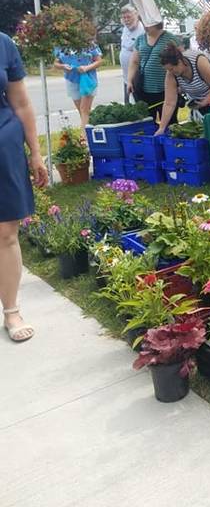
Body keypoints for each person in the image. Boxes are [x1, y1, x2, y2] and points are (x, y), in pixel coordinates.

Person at [0, 33, 48, 342]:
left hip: (3, 144)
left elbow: (20, 101)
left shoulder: (3, 44)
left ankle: (11, 310)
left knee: (5, 232)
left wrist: (35, 152)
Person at [156, 43, 210, 134]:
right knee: (203, 127)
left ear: (180, 62)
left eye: (172, 69)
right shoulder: (171, 74)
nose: (170, 72)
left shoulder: (199, 62)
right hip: (197, 94)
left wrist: (205, 102)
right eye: (167, 70)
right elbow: (169, 103)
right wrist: (162, 128)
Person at [127, 20, 181, 125]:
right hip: (144, 90)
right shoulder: (140, 39)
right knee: (147, 122)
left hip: (165, 89)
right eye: (143, 23)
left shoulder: (170, 38)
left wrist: (180, 84)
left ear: (156, 23)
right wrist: (129, 80)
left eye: (148, 24)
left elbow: (180, 61)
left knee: (170, 122)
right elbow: (134, 62)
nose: (145, 27)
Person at [53, 37, 102, 131]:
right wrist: (63, 66)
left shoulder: (88, 44)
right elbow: (56, 63)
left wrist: (87, 68)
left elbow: (99, 61)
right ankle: (90, 132)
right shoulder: (61, 45)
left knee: (84, 109)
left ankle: (83, 138)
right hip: (71, 79)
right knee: (81, 111)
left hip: (87, 79)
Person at [119, 4, 144, 103]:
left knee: (137, 99)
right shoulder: (125, 29)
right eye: (124, 17)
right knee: (127, 101)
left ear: (136, 15)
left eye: (128, 17)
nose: (126, 20)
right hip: (126, 75)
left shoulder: (141, 31)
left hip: (137, 74)